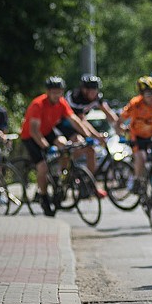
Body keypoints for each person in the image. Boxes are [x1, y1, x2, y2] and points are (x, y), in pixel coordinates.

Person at [20, 77, 96, 216]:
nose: (57, 95)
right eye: (54, 92)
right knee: (42, 167)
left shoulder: (61, 102)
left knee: (64, 144)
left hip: (47, 131)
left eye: (59, 92)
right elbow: (34, 130)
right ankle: (42, 196)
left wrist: (87, 136)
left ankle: (61, 176)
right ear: (48, 92)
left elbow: (74, 120)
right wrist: (46, 147)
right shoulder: (38, 104)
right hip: (31, 136)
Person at [60, 75, 118, 193]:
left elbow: (109, 113)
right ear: (84, 89)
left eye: (95, 89)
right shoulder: (75, 98)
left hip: (79, 125)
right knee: (77, 142)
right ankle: (63, 170)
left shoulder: (96, 97)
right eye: (91, 89)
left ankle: (90, 183)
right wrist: (96, 136)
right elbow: (81, 122)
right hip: (65, 125)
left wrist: (120, 126)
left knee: (91, 150)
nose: (93, 92)